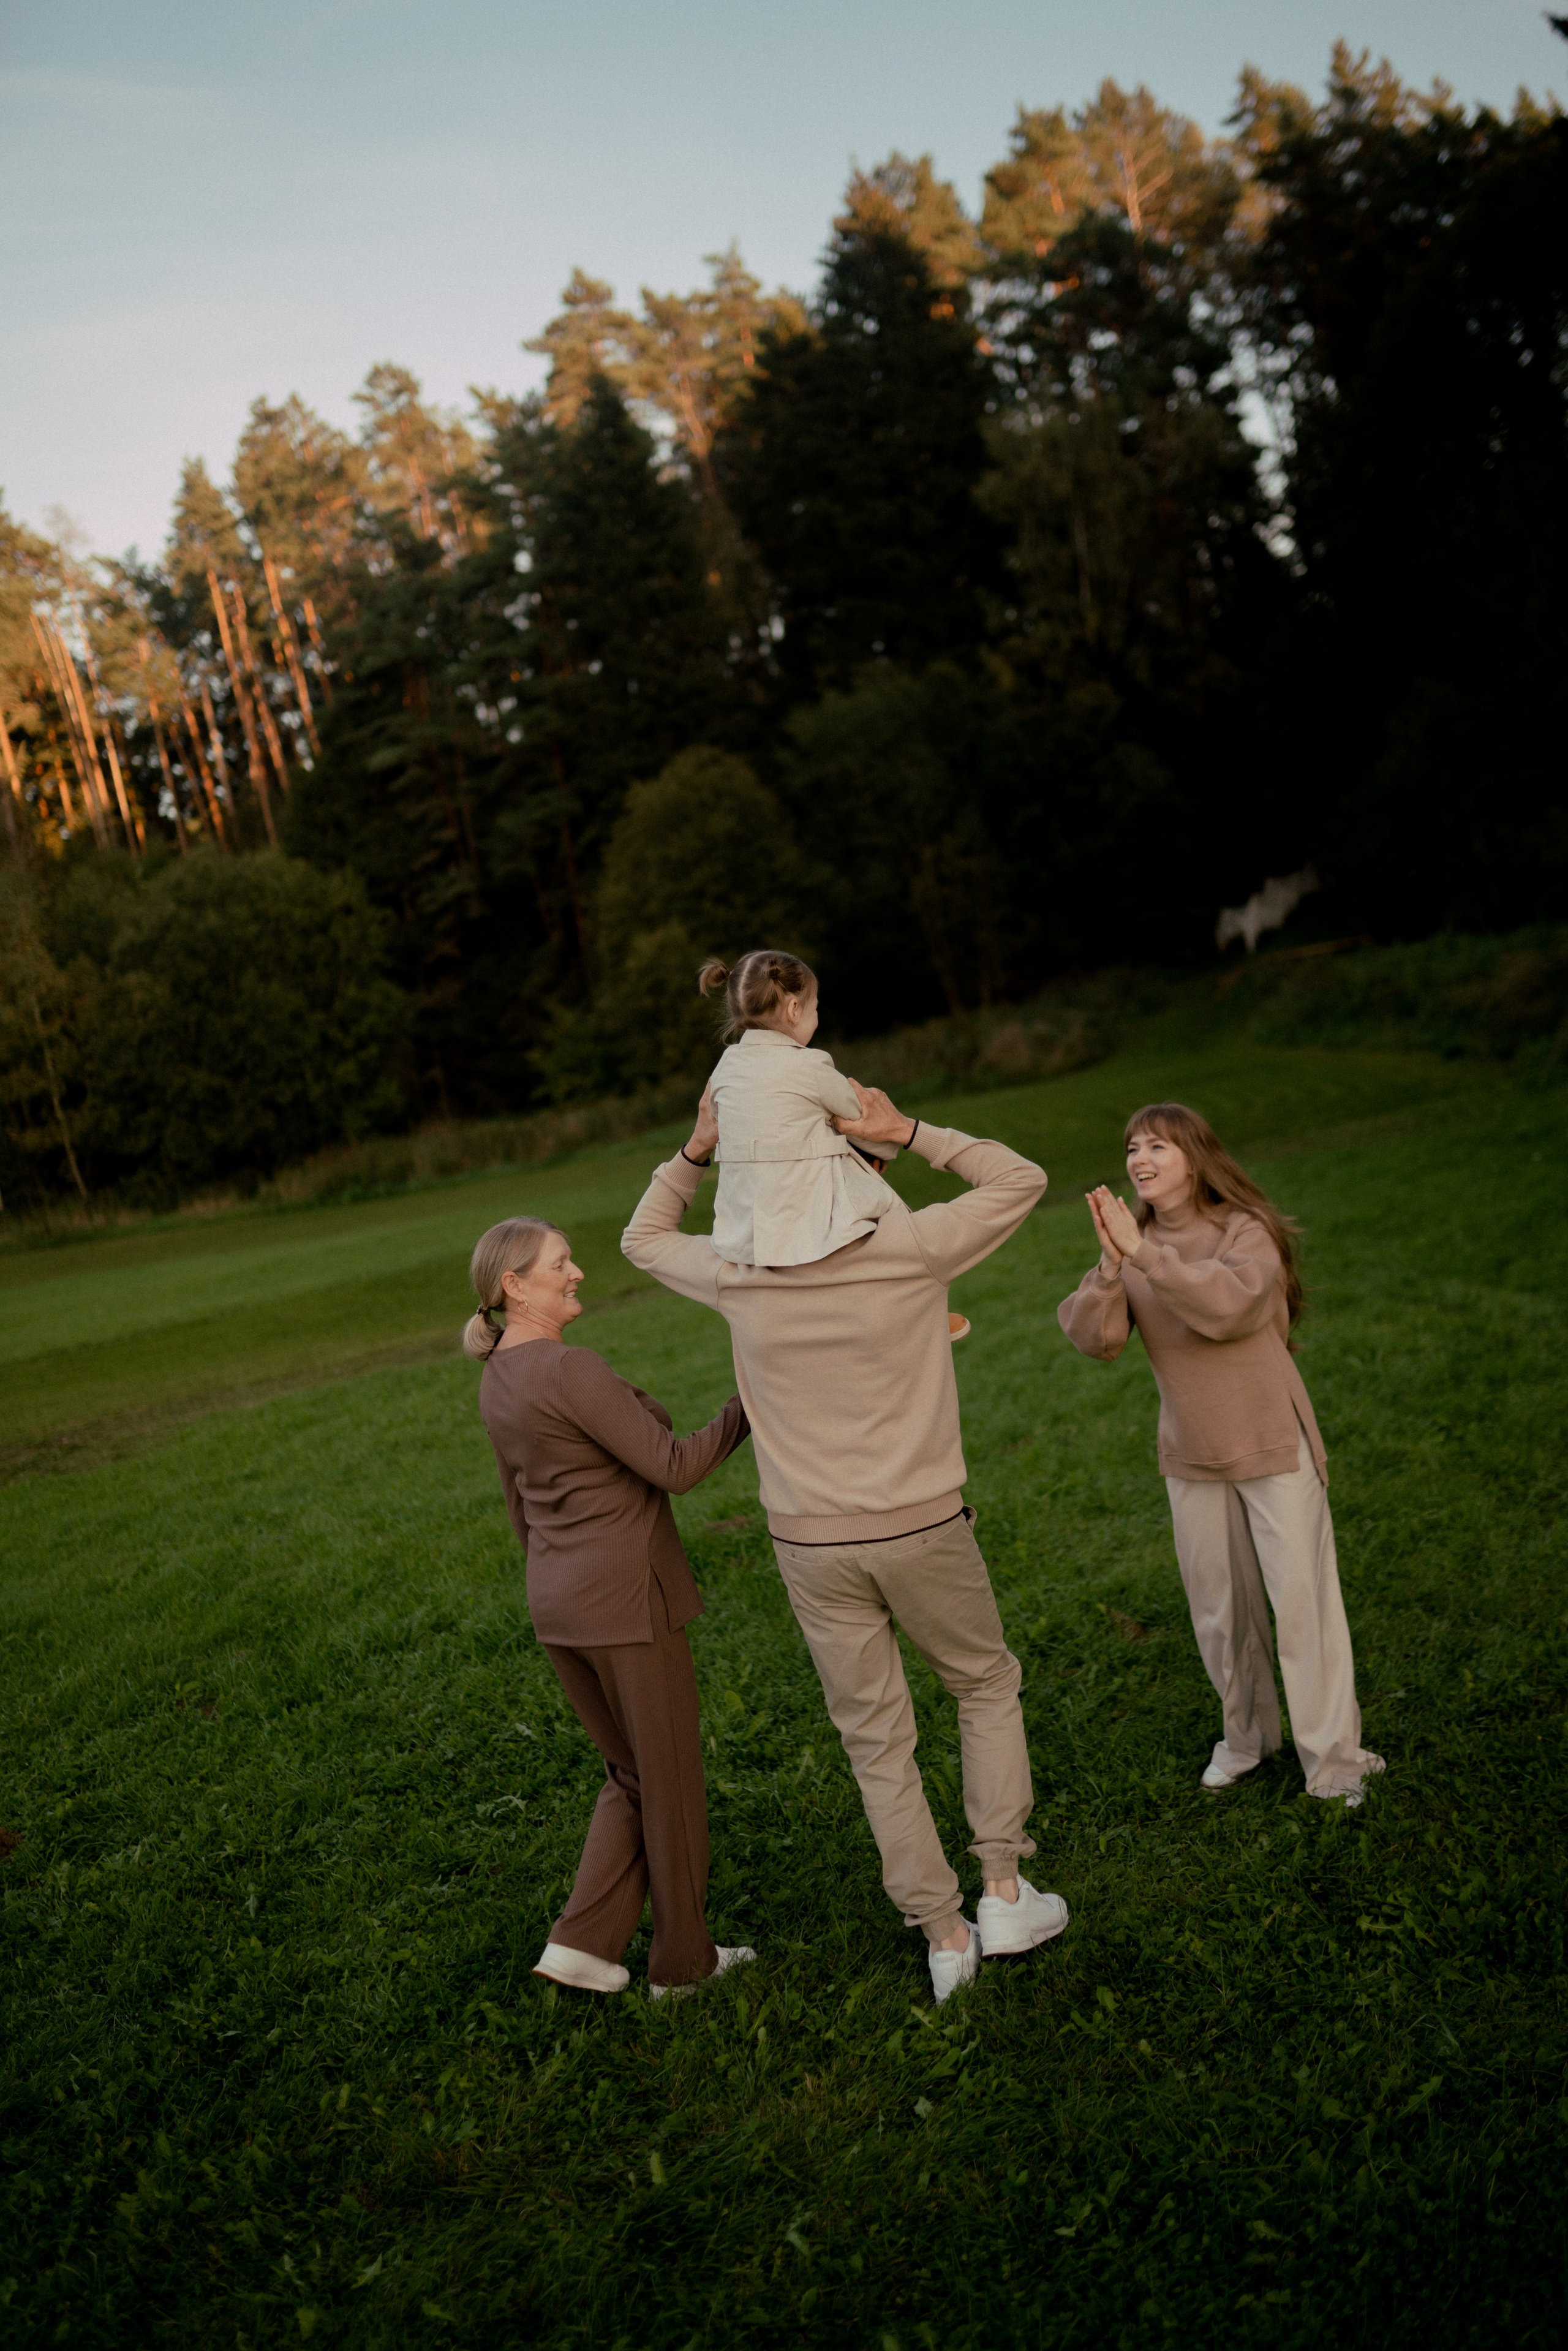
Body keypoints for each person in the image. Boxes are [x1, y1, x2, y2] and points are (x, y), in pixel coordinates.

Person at [622, 1080, 1069, 2004]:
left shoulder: (742, 1270)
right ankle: (1003, 1889)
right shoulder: (908, 1246)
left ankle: (944, 1935)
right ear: (852, 1176)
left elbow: (641, 1239)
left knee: (876, 1741)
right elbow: (1020, 1177)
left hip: (810, 1543)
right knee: (983, 1684)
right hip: (922, 1524)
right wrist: (909, 1129)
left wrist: (697, 1149)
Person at [1057, 1102, 1384, 1806]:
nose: (1139, 1159)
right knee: (1219, 1611)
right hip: (1191, 1453)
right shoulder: (1131, 1245)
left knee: (1301, 1608)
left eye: (1157, 1147)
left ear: (1196, 1158)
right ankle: (1246, 1738)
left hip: (1271, 1442)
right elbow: (1095, 1338)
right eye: (1132, 1148)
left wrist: (1143, 1256)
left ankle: (1336, 1761)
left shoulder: (1245, 1231)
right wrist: (1114, 1268)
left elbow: (1230, 1307)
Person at [465, 1215, 756, 1995]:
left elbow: (517, 1505)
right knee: (667, 1780)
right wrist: (753, 1399)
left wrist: (558, 1585)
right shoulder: (570, 1369)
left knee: (630, 1775)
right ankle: (683, 1967)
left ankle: (582, 1944)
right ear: (514, 1285)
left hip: (560, 1606)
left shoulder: (497, 1376)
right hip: (628, 1603)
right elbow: (675, 1466)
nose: (578, 1273)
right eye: (562, 1263)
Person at [697, 947, 898, 1269]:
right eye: (815, 1008)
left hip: (744, 1239)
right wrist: (881, 1151)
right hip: (815, 1232)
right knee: (902, 1232)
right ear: (794, 1009)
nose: (817, 1016)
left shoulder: (724, 1070)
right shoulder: (811, 1066)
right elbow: (869, 1123)